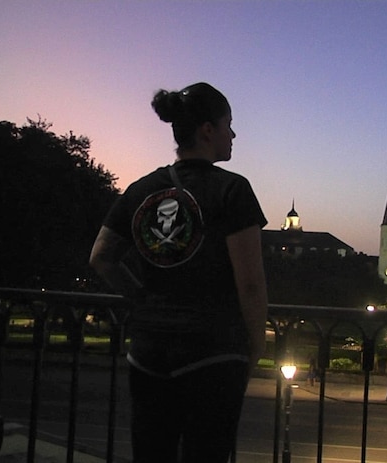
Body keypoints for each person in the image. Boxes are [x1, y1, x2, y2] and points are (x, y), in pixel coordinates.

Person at [89, 82, 267, 462]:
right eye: (228, 124)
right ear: (207, 130)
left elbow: (102, 257)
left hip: (149, 350)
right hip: (213, 352)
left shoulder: (142, 189)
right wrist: (254, 348)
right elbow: (250, 284)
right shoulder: (232, 191)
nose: (233, 134)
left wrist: (143, 299)